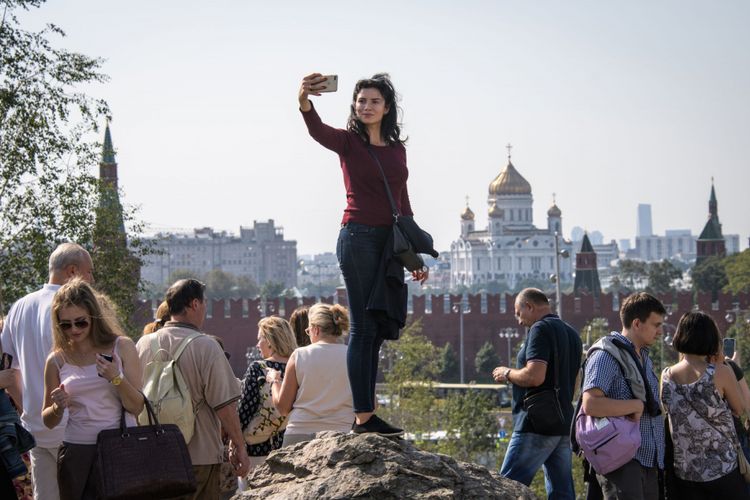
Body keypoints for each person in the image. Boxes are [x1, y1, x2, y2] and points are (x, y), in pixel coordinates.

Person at [299, 72, 429, 436]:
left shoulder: (397, 150)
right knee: (361, 326)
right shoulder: (347, 143)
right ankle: (363, 417)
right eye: (361, 101)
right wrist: (304, 100)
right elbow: (315, 129)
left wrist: (414, 257)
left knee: (375, 330)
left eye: (374, 101)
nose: (366, 106)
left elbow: (402, 203)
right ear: (354, 107)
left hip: (389, 244)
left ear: (387, 108)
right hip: (356, 238)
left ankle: (366, 416)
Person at [135, 279, 249, 499]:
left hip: (154, 454)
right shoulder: (206, 346)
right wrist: (239, 445)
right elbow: (225, 406)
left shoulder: (144, 344)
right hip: (199, 455)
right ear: (194, 304)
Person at [1, 242, 94, 500]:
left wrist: (29, 409)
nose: (92, 279)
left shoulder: (19, 306)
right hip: (75, 427)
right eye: (89, 272)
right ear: (72, 270)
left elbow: (9, 373)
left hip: (35, 426)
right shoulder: (73, 308)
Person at [40, 279, 143, 500]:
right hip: (77, 450)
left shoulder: (121, 347)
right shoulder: (56, 360)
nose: (74, 330)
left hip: (120, 445)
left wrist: (116, 378)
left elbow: (137, 406)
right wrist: (58, 406)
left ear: (94, 317)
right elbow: (48, 420)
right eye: (65, 325)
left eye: (80, 322)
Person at [492, 288, 582, 499]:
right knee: (562, 493)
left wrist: (507, 373)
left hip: (535, 424)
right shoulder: (572, 333)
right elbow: (576, 380)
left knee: (506, 488)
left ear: (529, 306)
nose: (518, 320)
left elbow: (535, 376)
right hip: (563, 424)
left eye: (518, 312)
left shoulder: (540, 329)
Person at [581, 292, 666, 500]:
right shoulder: (606, 355)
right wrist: (635, 406)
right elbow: (590, 404)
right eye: (656, 325)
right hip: (622, 462)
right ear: (637, 323)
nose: (660, 332)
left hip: (648, 460)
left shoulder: (642, 356)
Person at [660, 311, 749, 498]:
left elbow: (668, 409)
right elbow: (739, 408)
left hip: (686, 472)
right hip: (723, 469)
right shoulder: (720, 372)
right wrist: (728, 368)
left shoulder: (666, 376)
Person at [269, 303, 354, 447]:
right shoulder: (353, 356)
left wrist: (274, 381)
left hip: (299, 433)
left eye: (308, 331)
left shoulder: (299, 355)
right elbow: (371, 403)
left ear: (316, 329)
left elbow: (283, 407)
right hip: (340, 434)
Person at [238, 316, 297, 470]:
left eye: (260, 339)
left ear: (270, 340)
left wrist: (234, 441)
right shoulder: (299, 366)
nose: (257, 345)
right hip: (292, 447)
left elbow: (245, 409)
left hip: (258, 450)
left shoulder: (258, 368)